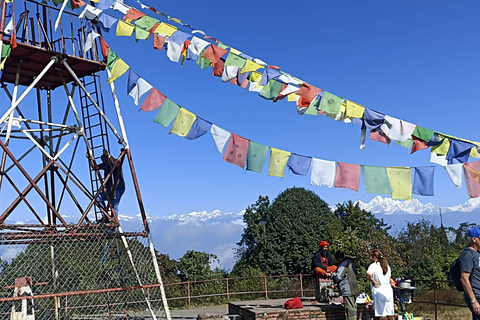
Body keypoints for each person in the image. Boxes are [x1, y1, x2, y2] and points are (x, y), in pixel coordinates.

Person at [90, 150, 125, 223]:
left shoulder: (114, 163)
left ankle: (114, 220)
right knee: (98, 198)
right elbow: (95, 167)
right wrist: (90, 158)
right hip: (109, 188)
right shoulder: (105, 165)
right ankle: (105, 216)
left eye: (105, 161)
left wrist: (108, 155)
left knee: (114, 203)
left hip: (118, 187)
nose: (104, 163)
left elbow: (117, 163)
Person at [366, 249, 395, 320]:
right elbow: (389, 278)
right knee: (390, 314)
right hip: (389, 292)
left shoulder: (373, 266)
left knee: (381, 315)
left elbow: (368, 275)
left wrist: (372, 280)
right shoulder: (387, 266)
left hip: (379, 291)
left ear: (374, 257)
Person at [460, 227, 480, 319]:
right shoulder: (467, 255)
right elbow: (464, 278)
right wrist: (473, 301)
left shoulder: (477, 253)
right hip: (477, 295)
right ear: (474, 239)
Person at [332, 252, 358, 320]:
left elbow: (338, 276)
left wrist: (333, 277)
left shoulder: (343, 264)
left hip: (348, 289)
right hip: (353, 288)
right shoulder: (350, 263)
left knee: (350, 308)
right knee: (353, 306)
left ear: (339, 259)